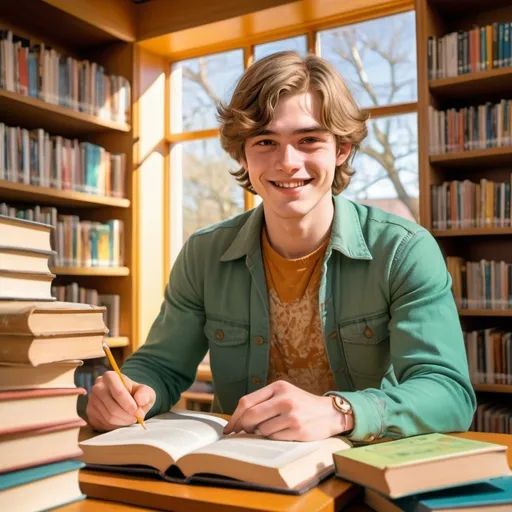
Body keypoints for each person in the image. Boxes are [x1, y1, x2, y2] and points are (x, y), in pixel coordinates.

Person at [86, 51, 476, 442]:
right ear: (243, 153)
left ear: (341, 149)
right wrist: (132, 391)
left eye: (308, 139)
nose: (287, 162)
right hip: (242, 472)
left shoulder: (403, 251)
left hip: (366, 470)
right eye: (266, 141)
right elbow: (161, 366)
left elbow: (449, 394)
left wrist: (340, 411)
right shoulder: (202, 254)